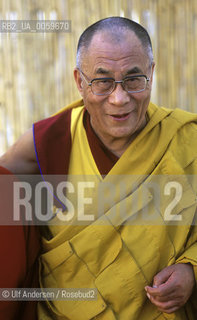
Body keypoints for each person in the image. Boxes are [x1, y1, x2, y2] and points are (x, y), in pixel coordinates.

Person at [0, 16, 197, 319]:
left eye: (133, 79)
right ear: (80, 81)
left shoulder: (186, 139)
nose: (119, 99)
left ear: (151, 74)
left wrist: (191, 269)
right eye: (102, 82)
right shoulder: (50, 141)